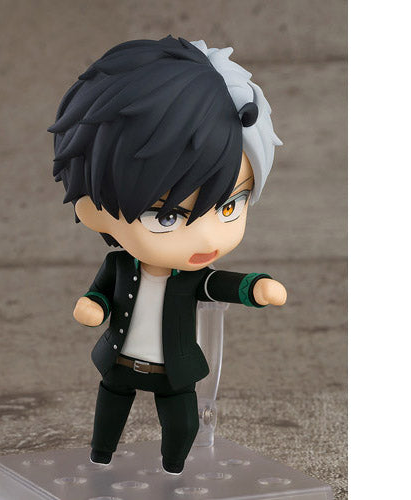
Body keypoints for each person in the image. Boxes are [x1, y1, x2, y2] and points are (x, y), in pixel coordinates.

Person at [48, 36, 287, 474]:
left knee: (182, 423)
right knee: (109, 416)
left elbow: (219, 285)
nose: (206, 237)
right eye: (168, 216)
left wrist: (256, 288)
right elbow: (99, 295)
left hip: (173, 371)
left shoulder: (192, 276)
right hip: (118, 361)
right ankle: (101, 458)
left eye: (230, 205)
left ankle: (174, 468)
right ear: (93, 210)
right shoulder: (119, 265)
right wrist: (92, 306)